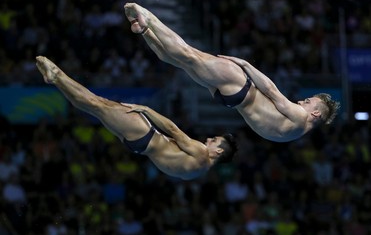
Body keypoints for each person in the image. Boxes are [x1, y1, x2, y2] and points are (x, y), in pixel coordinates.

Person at [124, 3, 340, 143]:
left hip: (240, 88)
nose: (303, 101)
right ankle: (146, 24)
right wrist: (245, 70)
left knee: (185, 57)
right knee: (183, 59)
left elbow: (273, 92)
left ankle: (146, 24)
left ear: (316, 114)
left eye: (309, 101)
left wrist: (246, 65)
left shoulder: (301, 117)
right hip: (233, 96)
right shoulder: (294, 134)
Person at [35, 56, 237, 180]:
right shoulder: (199, 172)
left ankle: (57, 75)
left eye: (214, 141)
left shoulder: (202, 153)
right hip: (140, 146)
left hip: (145, 134)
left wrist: (147, 111)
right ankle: (56, 81)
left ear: (218, 151)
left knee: (98, 103)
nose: (209, 139)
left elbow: (174, 130)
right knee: (92, 108)